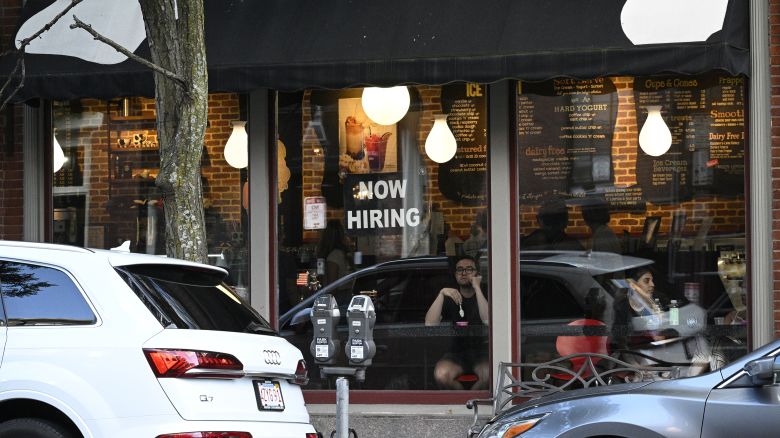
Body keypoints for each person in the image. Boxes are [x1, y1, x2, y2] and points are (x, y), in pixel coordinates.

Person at [425, 255, 489, 390]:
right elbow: (430, 324)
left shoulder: (485, 294)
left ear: (477, 273)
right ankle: (463, 403)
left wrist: (477, 288)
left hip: (482, 351)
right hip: (456, 352)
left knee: (488, 375)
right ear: (455, 275)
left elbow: (487, 319)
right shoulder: (451, 296)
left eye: (469, 269)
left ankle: (472, 402)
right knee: (442, 374)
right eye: (460, 270)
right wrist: (441, 294)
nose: (464, 273)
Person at [316, 220, 350, 285]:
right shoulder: (344, 253)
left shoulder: (334, 256)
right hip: (345, 293)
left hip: (337, 294)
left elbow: (332, 286)